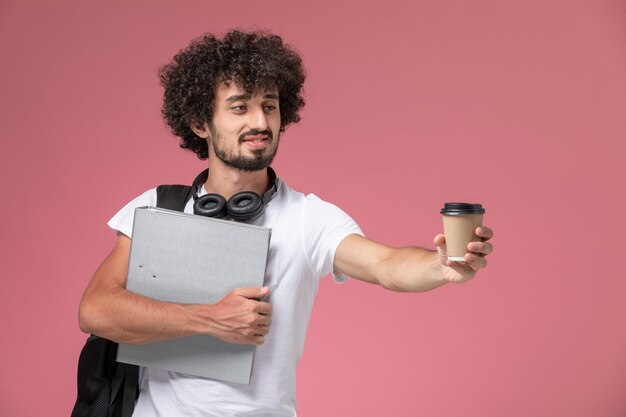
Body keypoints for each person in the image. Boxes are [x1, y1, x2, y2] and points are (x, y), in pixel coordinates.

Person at [78, 30, 494, 417]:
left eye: (270, 106)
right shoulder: (157, 207)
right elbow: (96, 310)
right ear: (199, 123)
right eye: (240, 107)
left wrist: (440, 266)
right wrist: (210, 319)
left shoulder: (308, 218)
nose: (260, 122)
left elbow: (387, 265)